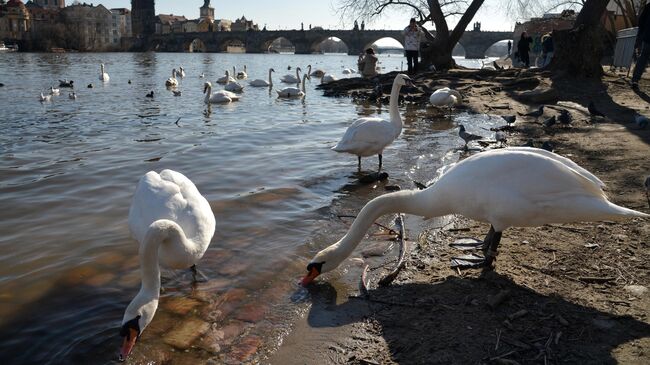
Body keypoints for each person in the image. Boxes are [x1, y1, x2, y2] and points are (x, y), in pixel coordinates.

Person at [633, 4, 650, 90]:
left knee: (643, 58)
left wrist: (641, 34)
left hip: (647, 36)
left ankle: (635, 80)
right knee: (643, 57)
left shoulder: (648, 6)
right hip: (647, 36)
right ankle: (635, 80)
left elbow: (641, 21)